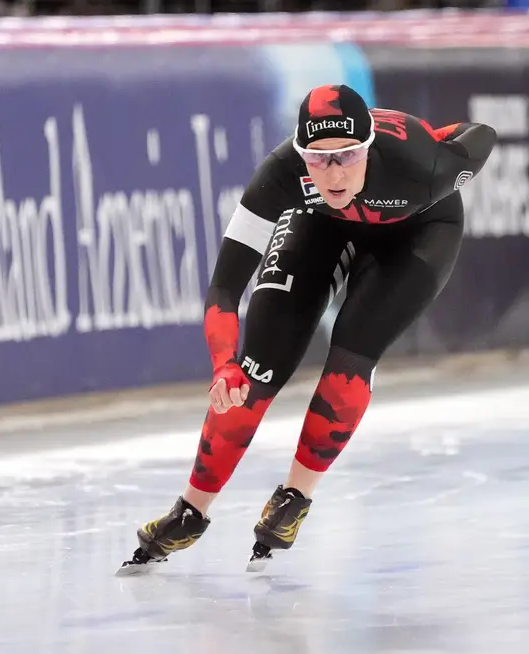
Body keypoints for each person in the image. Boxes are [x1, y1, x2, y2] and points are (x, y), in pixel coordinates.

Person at [119, 84, 496, 573]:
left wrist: (436, 134)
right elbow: (225, 289)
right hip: (317, 222)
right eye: (318, 160)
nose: (334, 172)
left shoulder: (423, 166)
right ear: (299, 155)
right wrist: (222, 364)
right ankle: (190, 511)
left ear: (368, 148)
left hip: (417, 232)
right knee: (254, 370)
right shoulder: (278, 177)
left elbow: (479, 135)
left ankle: (294, 498)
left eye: (347, 156)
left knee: (351, 359)